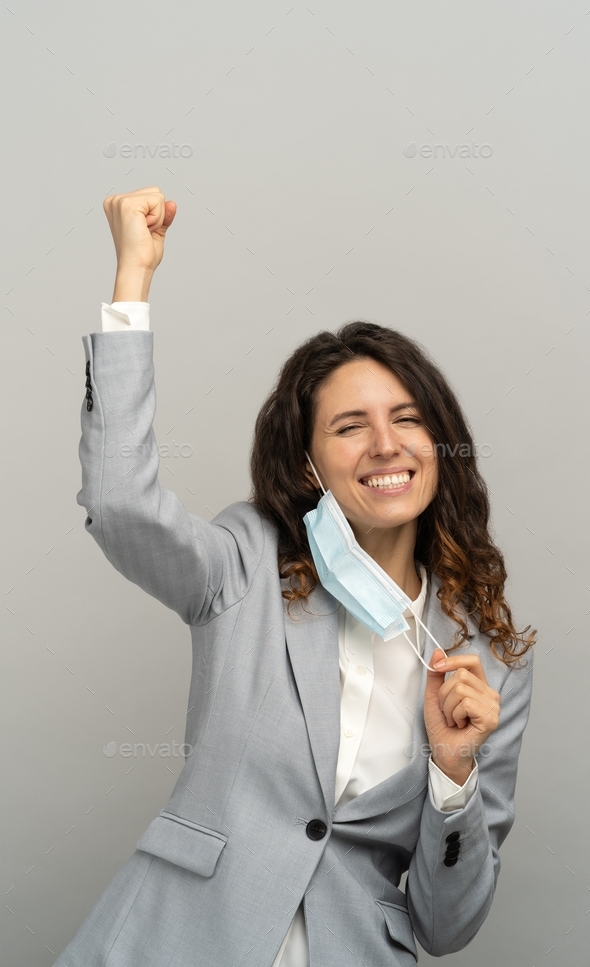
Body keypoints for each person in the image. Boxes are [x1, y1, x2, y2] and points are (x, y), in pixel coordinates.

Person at [53, 186, 535, 967]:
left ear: (438, 444)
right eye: (350, 426)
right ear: (308, 462)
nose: (385, 444)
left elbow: (447, 925)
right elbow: (118, 504)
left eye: (407, 419)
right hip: (175, 941)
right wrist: (131, 281)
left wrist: (453, 774)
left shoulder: (494, 658)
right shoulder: (247, 559)